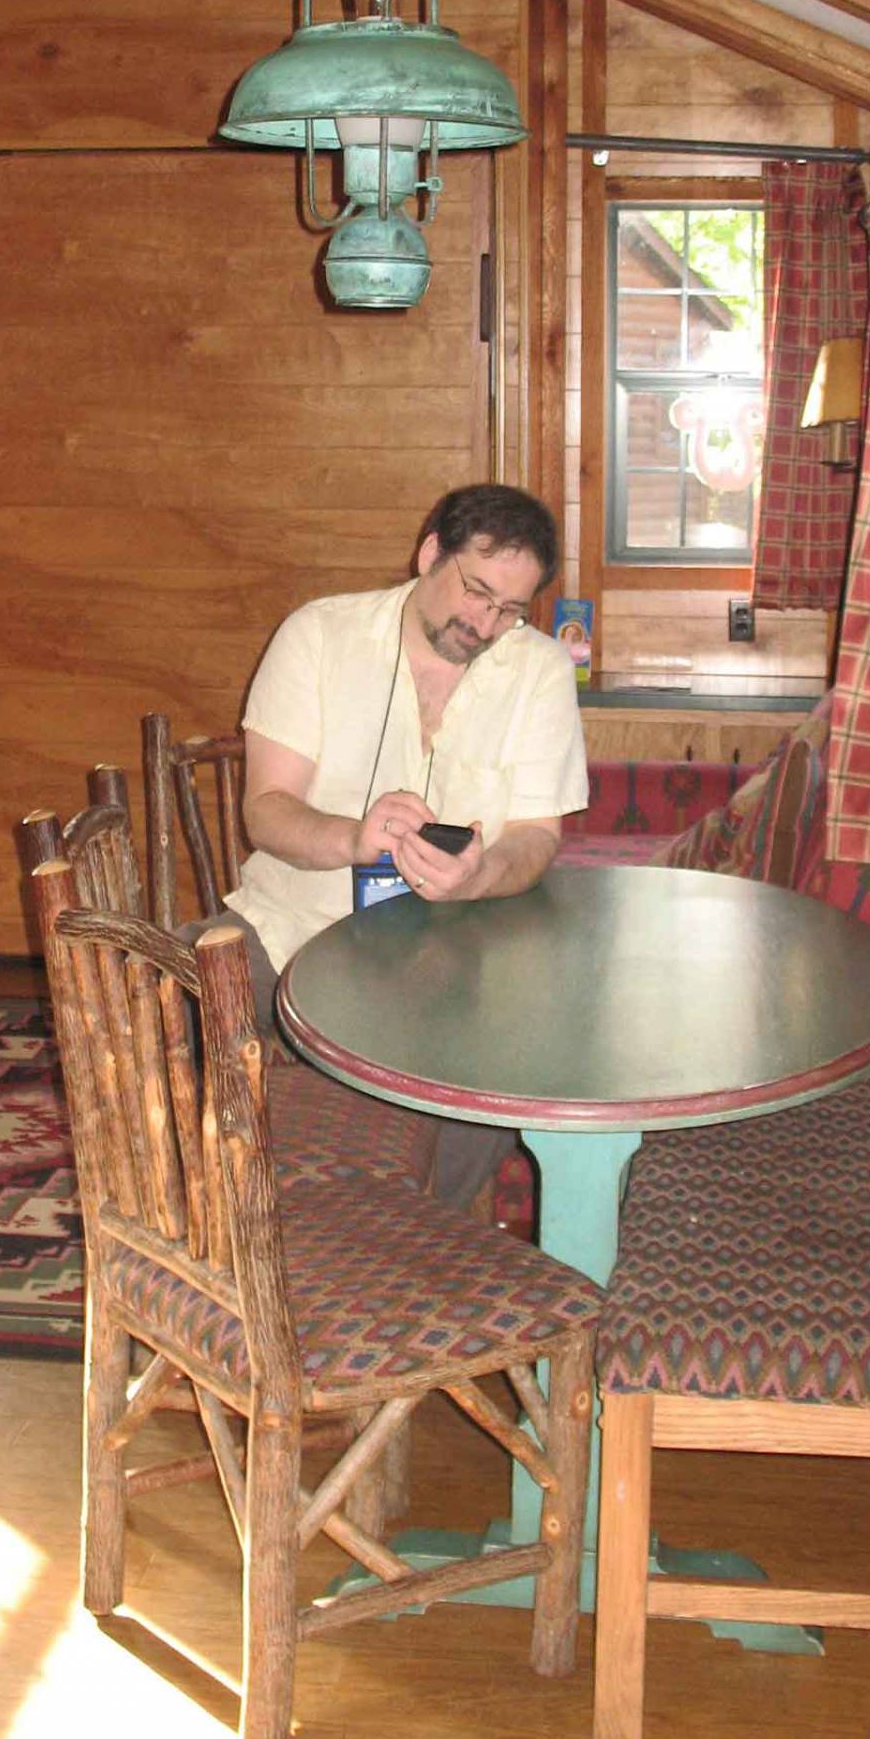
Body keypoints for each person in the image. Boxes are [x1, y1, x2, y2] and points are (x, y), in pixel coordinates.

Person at [198, 482, 589, 1209]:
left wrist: (476, 877)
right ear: (429, 552)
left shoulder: (537, 670)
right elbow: (267, 814)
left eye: (509, 609)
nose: (485, 622)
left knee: (510, 1060)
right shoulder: (318, 634)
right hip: (294, 924)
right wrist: (351, 836)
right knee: (161, 997)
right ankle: (217, 1222)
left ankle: (413, 1240)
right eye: (476, 592)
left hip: (457, 948)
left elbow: (536, 839)